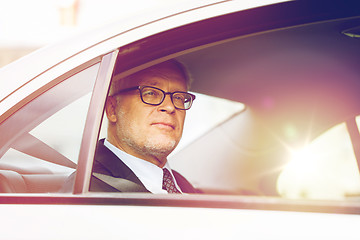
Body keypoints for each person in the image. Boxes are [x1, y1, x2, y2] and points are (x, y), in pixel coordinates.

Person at [89, 60, 198, 193]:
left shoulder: (182, 185)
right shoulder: (91, 191)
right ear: (112, 109)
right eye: (151, 93)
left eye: (179, 97)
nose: (170, 107)